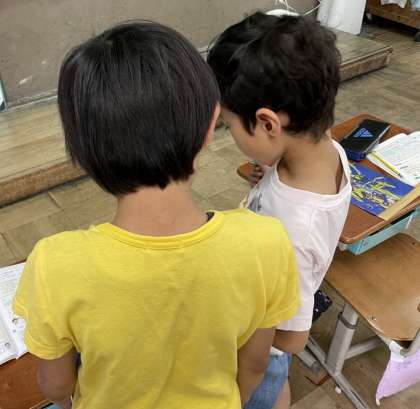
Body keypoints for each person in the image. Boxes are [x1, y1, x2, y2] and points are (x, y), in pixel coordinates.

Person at [12, 21, 301, 409]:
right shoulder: (266, 241)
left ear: (79, 152)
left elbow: (55, 386)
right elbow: (254, 363)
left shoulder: (54, 263)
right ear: (209, 126)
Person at [208, 12, 352, 409]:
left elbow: (291, 338)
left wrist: (233, 329)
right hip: (265, 286)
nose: (230, 134)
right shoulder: (325, 151)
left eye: (230, 125)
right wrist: (269, 175)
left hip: (259, 349)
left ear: (268, 124)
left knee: (266, 387)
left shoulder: (293, 231)